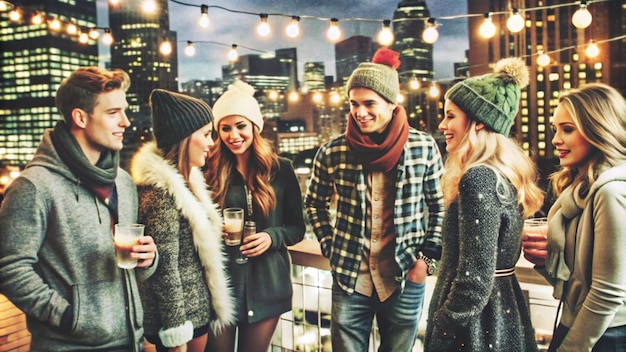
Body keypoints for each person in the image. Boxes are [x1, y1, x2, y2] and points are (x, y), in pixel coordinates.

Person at [0, 67, 158, 351]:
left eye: (124, 111)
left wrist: (148, 259)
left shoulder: (122, 181)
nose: (126, 122)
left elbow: (128, 268)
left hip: (130, 341)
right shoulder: (35, 186)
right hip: (69, 345)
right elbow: (9, 268)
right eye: (113, 113)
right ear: (80, 117)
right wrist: (68, 317)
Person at [304, 47, 445, 352]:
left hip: (405, 276)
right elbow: (314, 204)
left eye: (369, 103)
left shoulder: (423, 146)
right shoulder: (333, 151)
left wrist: (425, 261)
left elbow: (440, 206)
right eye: (353, 103)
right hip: (350, 278)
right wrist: (331, 246)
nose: (359, 112)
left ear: (392, 104)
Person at [423, 57, 544, 351]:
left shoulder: (478, 178)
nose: (442, 125)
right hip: (503, 312)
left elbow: (474, 281)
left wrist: (443, 327)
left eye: (450, 116)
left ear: (478, 123)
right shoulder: (504, 175)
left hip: (476, 328)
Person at [522, 83, 626, 351]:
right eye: (555, 129)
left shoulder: (611, 191)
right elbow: (581, 283)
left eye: (567, 129)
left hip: (603, 334)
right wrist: (549, 262)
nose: (556, 139)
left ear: (598, 129)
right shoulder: (581, 190)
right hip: (580, 325)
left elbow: (608, 293)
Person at [130, 89, 235, 352]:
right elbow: (165, 272)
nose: (212, 142)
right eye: (206, 134)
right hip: (182, 324)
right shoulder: (161, 195)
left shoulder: (187, 184)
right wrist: (177, 337)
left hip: (194, 312)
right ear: (185, 138)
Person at [204, 80, 305, 352]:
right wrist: (214, 230)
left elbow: (297, 228)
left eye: (240, 126)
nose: (233, 135)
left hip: (268, 285)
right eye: (225, 128)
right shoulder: (209, 171)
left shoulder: (281, 170)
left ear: (254, 127)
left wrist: (271, 237)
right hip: (221, 288)